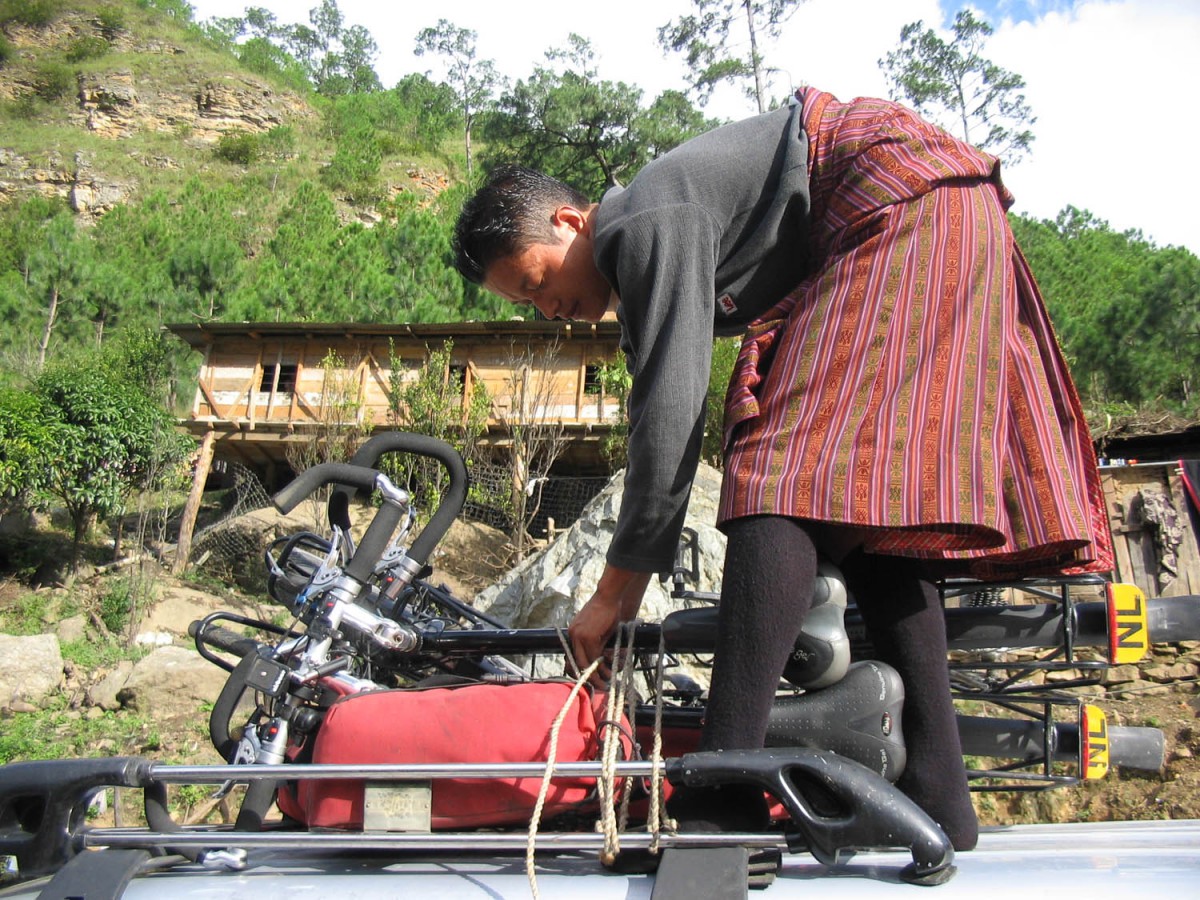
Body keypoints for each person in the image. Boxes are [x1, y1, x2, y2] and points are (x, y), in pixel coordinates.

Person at [452, 86, 1114, 853]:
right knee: (864, 511)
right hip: (933, 207)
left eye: (536, 283)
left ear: (570, 223)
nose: (547, 310)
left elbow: (670, 417)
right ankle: (940, 794)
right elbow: (650, 415)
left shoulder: (640, 217)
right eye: (527, 305)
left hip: (896, 200)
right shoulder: (644, 269)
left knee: (779, 473)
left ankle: (723, 801)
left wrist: (611, 596)